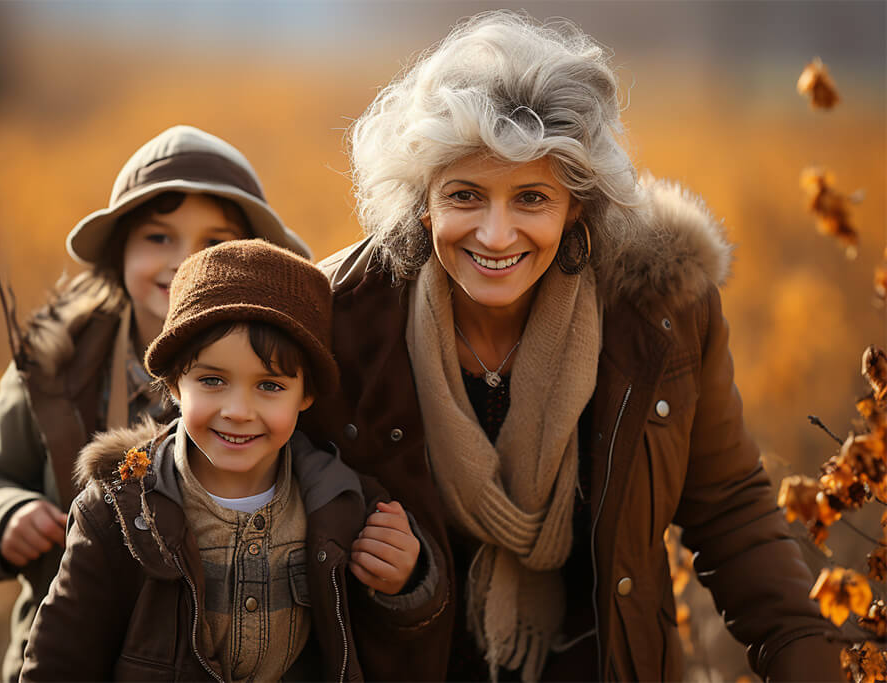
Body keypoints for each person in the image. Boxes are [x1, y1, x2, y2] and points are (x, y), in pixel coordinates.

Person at [300, 10, 842, 682]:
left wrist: (808, 661)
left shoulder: (658, 315)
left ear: (577, 205)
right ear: (422, 203)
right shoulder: (341, 316)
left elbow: (729, 507)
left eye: (531, 197)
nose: (496, 235)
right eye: (465, 195)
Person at [0, 125, 312, 682]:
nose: (184, 262)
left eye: (214, 244)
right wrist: (4, 515)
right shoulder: (56, 367)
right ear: (120, 253)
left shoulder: (276, 371)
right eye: (158, 238)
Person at [19, 239, 445, 681]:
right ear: (174, 384)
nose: (238, 410)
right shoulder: (120, 510)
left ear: (308, 395)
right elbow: (59, 659)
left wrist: (407, 582)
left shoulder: (342, 505)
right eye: (213, 380)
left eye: (270, 386)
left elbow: (383, 644)